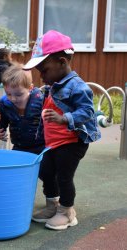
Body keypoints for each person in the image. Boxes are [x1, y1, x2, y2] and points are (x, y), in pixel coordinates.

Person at [23, 30, 101, 230]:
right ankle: (53, 205)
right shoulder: (54, 84)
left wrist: (63, 118)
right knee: (46, 171)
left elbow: (87, 111)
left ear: (62, 62)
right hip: (53, 142)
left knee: (63, 176)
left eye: (44, 70)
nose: (41, 76)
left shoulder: (77, 86)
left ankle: (67, 212)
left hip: (72, 142)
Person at [0, 63, 45, 154]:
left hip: (40, 147)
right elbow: (1, 121)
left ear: (30, 88)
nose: (13, 98)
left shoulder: (40, 100)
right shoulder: (5, 103)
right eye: (8, 94)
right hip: (19, 147)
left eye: (19, 94)